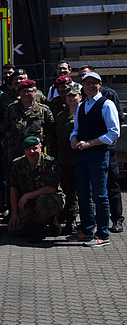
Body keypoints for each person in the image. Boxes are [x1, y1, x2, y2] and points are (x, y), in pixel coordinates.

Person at [68, 72, 121, 247]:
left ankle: (103, 234)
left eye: (94, 83)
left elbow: (114, 133)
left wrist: (91, 143)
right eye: (87, 83)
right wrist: (74, 139)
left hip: (98, 154)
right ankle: (87, 229)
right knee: (83, 193)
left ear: (100, 84)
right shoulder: (82, 105)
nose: (90, 86)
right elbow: (76, 129)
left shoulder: (107, 104)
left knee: (100, 194)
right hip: (82, 154)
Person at [8, 136, 65, 243]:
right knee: (14, 230)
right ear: (24, 150)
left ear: (41, 147)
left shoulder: (50, 163)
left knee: (44, 200)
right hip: (30, 204)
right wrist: (14, 213)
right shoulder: (18, 164)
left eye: (35, 148)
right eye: (28, 149)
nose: (32, 151)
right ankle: (47, 221)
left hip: (51, 200)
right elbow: (13, 189)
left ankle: (40, 227)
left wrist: (27, 195)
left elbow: (51, 189)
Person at [2, 79, 54, 164]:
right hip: (16, 151)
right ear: (19, 93)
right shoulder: (11, 109)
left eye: (29, 91)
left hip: (35, 152)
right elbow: (6, 128)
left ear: (35, 92)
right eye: (23, 91)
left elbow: (50, 131)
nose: (26, 94)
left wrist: (41, 145)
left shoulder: (43, 110)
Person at [53, 87, 81, 235]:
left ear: (80, 97)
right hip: (64, 159)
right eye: (68, 96)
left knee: (82, 192)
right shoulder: (60, 115)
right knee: (68, 191)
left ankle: (87, 221)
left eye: (74, 96)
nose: (71, 98)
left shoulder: (84, 114)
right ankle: (70, 220)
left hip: (80, 159)